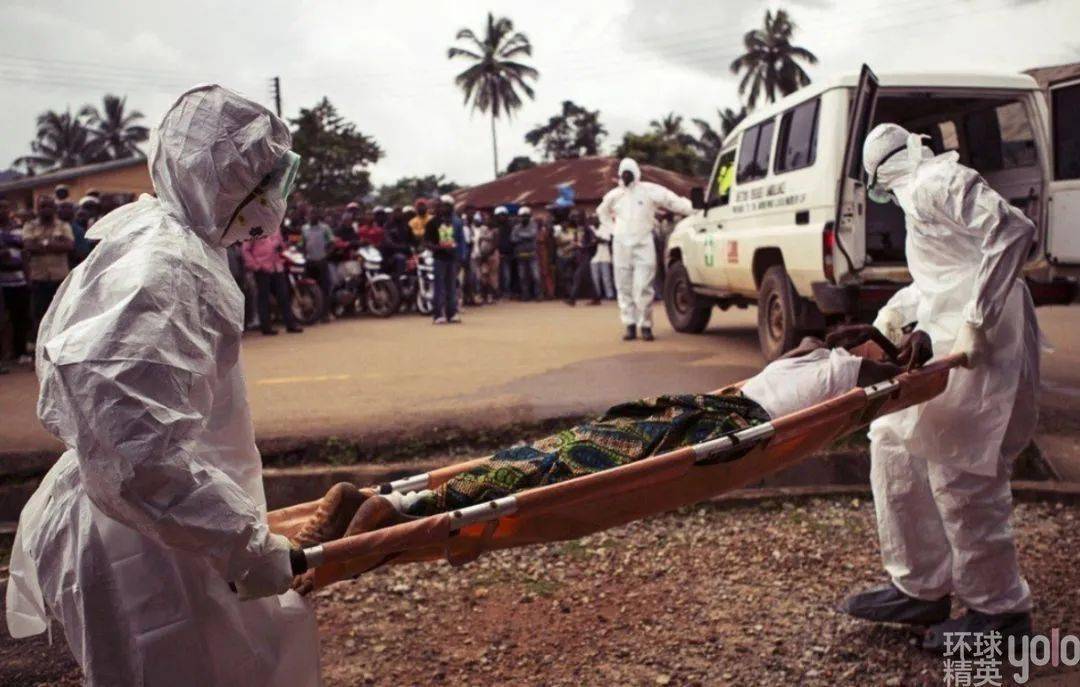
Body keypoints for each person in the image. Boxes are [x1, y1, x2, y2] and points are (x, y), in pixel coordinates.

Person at [5, 85, 320, 686]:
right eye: (262, 185)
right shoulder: (164, 270)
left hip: (164, 526)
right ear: (221, 181)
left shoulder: (176, 244)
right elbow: (135, 454)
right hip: (141, 541)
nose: (272, 204)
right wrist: (243, 544)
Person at [289, 329, 928, 555]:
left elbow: (867, 344)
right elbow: (898, 374)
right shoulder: (849, 375)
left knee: (553, 454)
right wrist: (911, 355)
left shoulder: (812, 355)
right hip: (712, 428)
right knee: (560, 476)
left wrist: (885, 345)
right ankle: (399, 513)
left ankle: (384, 503)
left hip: (693, 409)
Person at [841, 123, 1040, 650]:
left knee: (962, 470)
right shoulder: (921, 196)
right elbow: (942, 276)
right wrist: (891, 317)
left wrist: (977, 318)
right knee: (893, 445)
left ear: (881, 174)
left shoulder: (935, 182)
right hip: (956, 334)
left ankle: (1000, 613)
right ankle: (920, 585)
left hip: (983, 341)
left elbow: (1015, 231)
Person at [597, 158, 692, 342]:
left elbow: (672, 201)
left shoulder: (649, 191)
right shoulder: (614, 195)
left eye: (629, 172)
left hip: (643, 243)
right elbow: (602, 212)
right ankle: (630, 325)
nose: (626, 176)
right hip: (621, 245)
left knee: (643, 287)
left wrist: (694, 208)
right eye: (623, 173)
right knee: (623, 286)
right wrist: (612, 230)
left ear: (636, 173)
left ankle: (646, 325)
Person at [21, 196, 74, 337]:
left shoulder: (63, 225)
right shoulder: (30, 226)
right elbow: (28, 246)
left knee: (62, 313)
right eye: (43, 206)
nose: (46, 210)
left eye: (49, 206)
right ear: (38, 209)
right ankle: (41, 344)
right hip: (39, 278)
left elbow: (69, 246)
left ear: (55, 208)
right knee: (40, 314)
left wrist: (42, 244)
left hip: (60, 278)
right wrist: (55, 244)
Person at [243, 228, 304, 336]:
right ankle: (266, 327)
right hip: (262, 268)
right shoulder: (253, 227)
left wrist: (284, 246)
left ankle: (290, 324)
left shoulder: (275, 227)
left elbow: (281, 245)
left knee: (284, 296)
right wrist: (255, 265)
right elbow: (245, 250)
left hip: (277, 266)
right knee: (264, 298)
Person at [0, 201, 32, 365]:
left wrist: (28, 278)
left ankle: (20, 352)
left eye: (5, 207)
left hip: (18, 281)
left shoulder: (19, 230)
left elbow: (25, 255)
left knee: (19, 318)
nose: (2, 211)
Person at [424, 196, 460, 324]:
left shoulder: (451, 222)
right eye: (439, 206)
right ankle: (438, 314)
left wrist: (453, 247)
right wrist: (439, 247)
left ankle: (452, 313)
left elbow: (453, 239)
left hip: (451, 257)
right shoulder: (431, 223)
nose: (442, 208)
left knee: (451, 286)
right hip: (439, 258)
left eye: (444, 206)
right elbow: (427, 243)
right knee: (439, 287)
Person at [301, 208, 335, 322]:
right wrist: (303, 255)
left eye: (315, 214)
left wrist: (326, 255)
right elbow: (302, 243)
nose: (312, 216)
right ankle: (312, 314)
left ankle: (325, 314)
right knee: (309, 289)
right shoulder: (304, 229)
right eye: (311, 214)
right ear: (308, 216)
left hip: (321, 261)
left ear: (318, 216)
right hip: (309, 262)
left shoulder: (325, 228)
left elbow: (331, 243)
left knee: (325, 288)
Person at [563, 212, 601, 306]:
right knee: (588, 279)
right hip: (579, 256)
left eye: (577, 218)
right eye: (575, 218)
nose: (576, 220)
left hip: (586, 256)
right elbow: (576, 243)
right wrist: (570, 248)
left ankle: (572, 299)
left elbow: (594, 241)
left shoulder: (588, 229)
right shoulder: (577, 230)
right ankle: (596, 298)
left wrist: (583, 246)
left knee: (577, 276)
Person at [512, 207, 540, 300]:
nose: (523, 218)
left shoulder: (533, 225)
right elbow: (513, 239)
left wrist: (520, 235)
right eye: (522, 216)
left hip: (532, 254)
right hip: (521, 255)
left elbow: (532, 235)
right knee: (523, 277)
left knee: (536, 276)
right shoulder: (516, 227)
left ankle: (538, 294)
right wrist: (525, 237)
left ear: (529, 216)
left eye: (525, 216)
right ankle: (525, 295)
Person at [473, 212, 500, 304]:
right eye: (485, 219)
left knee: (492, 277)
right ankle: (485, 296)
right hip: (483, 255)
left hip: (492, 256)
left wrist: (487, 254)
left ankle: (493, 296)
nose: (486, 221)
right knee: (483, 276)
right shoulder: (483, 230)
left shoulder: (495, 231)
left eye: (488, 219)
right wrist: (481, 253)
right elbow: (480, 241)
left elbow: (495, 244)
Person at [589, 214, 616, 300]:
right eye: (593, 219)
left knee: (606, 276)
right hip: (593, 256)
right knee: (595, 277)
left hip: (604, 255)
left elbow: (607, 240)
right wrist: (598, 240)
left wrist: (597, 240)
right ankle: (597, 295)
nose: (594, 221)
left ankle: (609, 294)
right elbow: (591, 241)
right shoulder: (590, 229)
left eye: (596, 219)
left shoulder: (605, 228)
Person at [494, 205, 515, 297]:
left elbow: (511, 240)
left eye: (502, 215)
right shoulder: (495, 227)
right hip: (496, 254)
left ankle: (507, 291)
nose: (501, 217)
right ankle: (498, 291)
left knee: (507, 274)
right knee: (497, 274)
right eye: (499, 215)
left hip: (507, 253)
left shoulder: (510, 227)